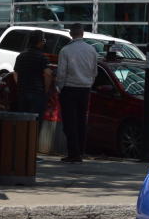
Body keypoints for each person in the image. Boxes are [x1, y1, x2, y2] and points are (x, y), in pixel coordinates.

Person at [55, 23, 97, 163]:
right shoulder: (91, 50)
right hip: (85, 89)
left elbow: (61, 73)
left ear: (71, 34)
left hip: (69, 88)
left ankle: (73, 152)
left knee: (70, 122)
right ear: (83, 33)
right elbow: (94, 72)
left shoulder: (65, 50)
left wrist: (59, 88)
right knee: (81, 121)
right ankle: (81, 151)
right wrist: (88, 83)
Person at [13, 31, 52, 117]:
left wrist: (20, 85)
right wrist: (45, 90)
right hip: (37, 93)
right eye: (43, 40)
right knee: (35, 121)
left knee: (23, 119)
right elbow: (48, 74)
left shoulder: (21, 56)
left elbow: (15, 73)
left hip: (22, 92)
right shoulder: (42, 57)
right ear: (40, 42)